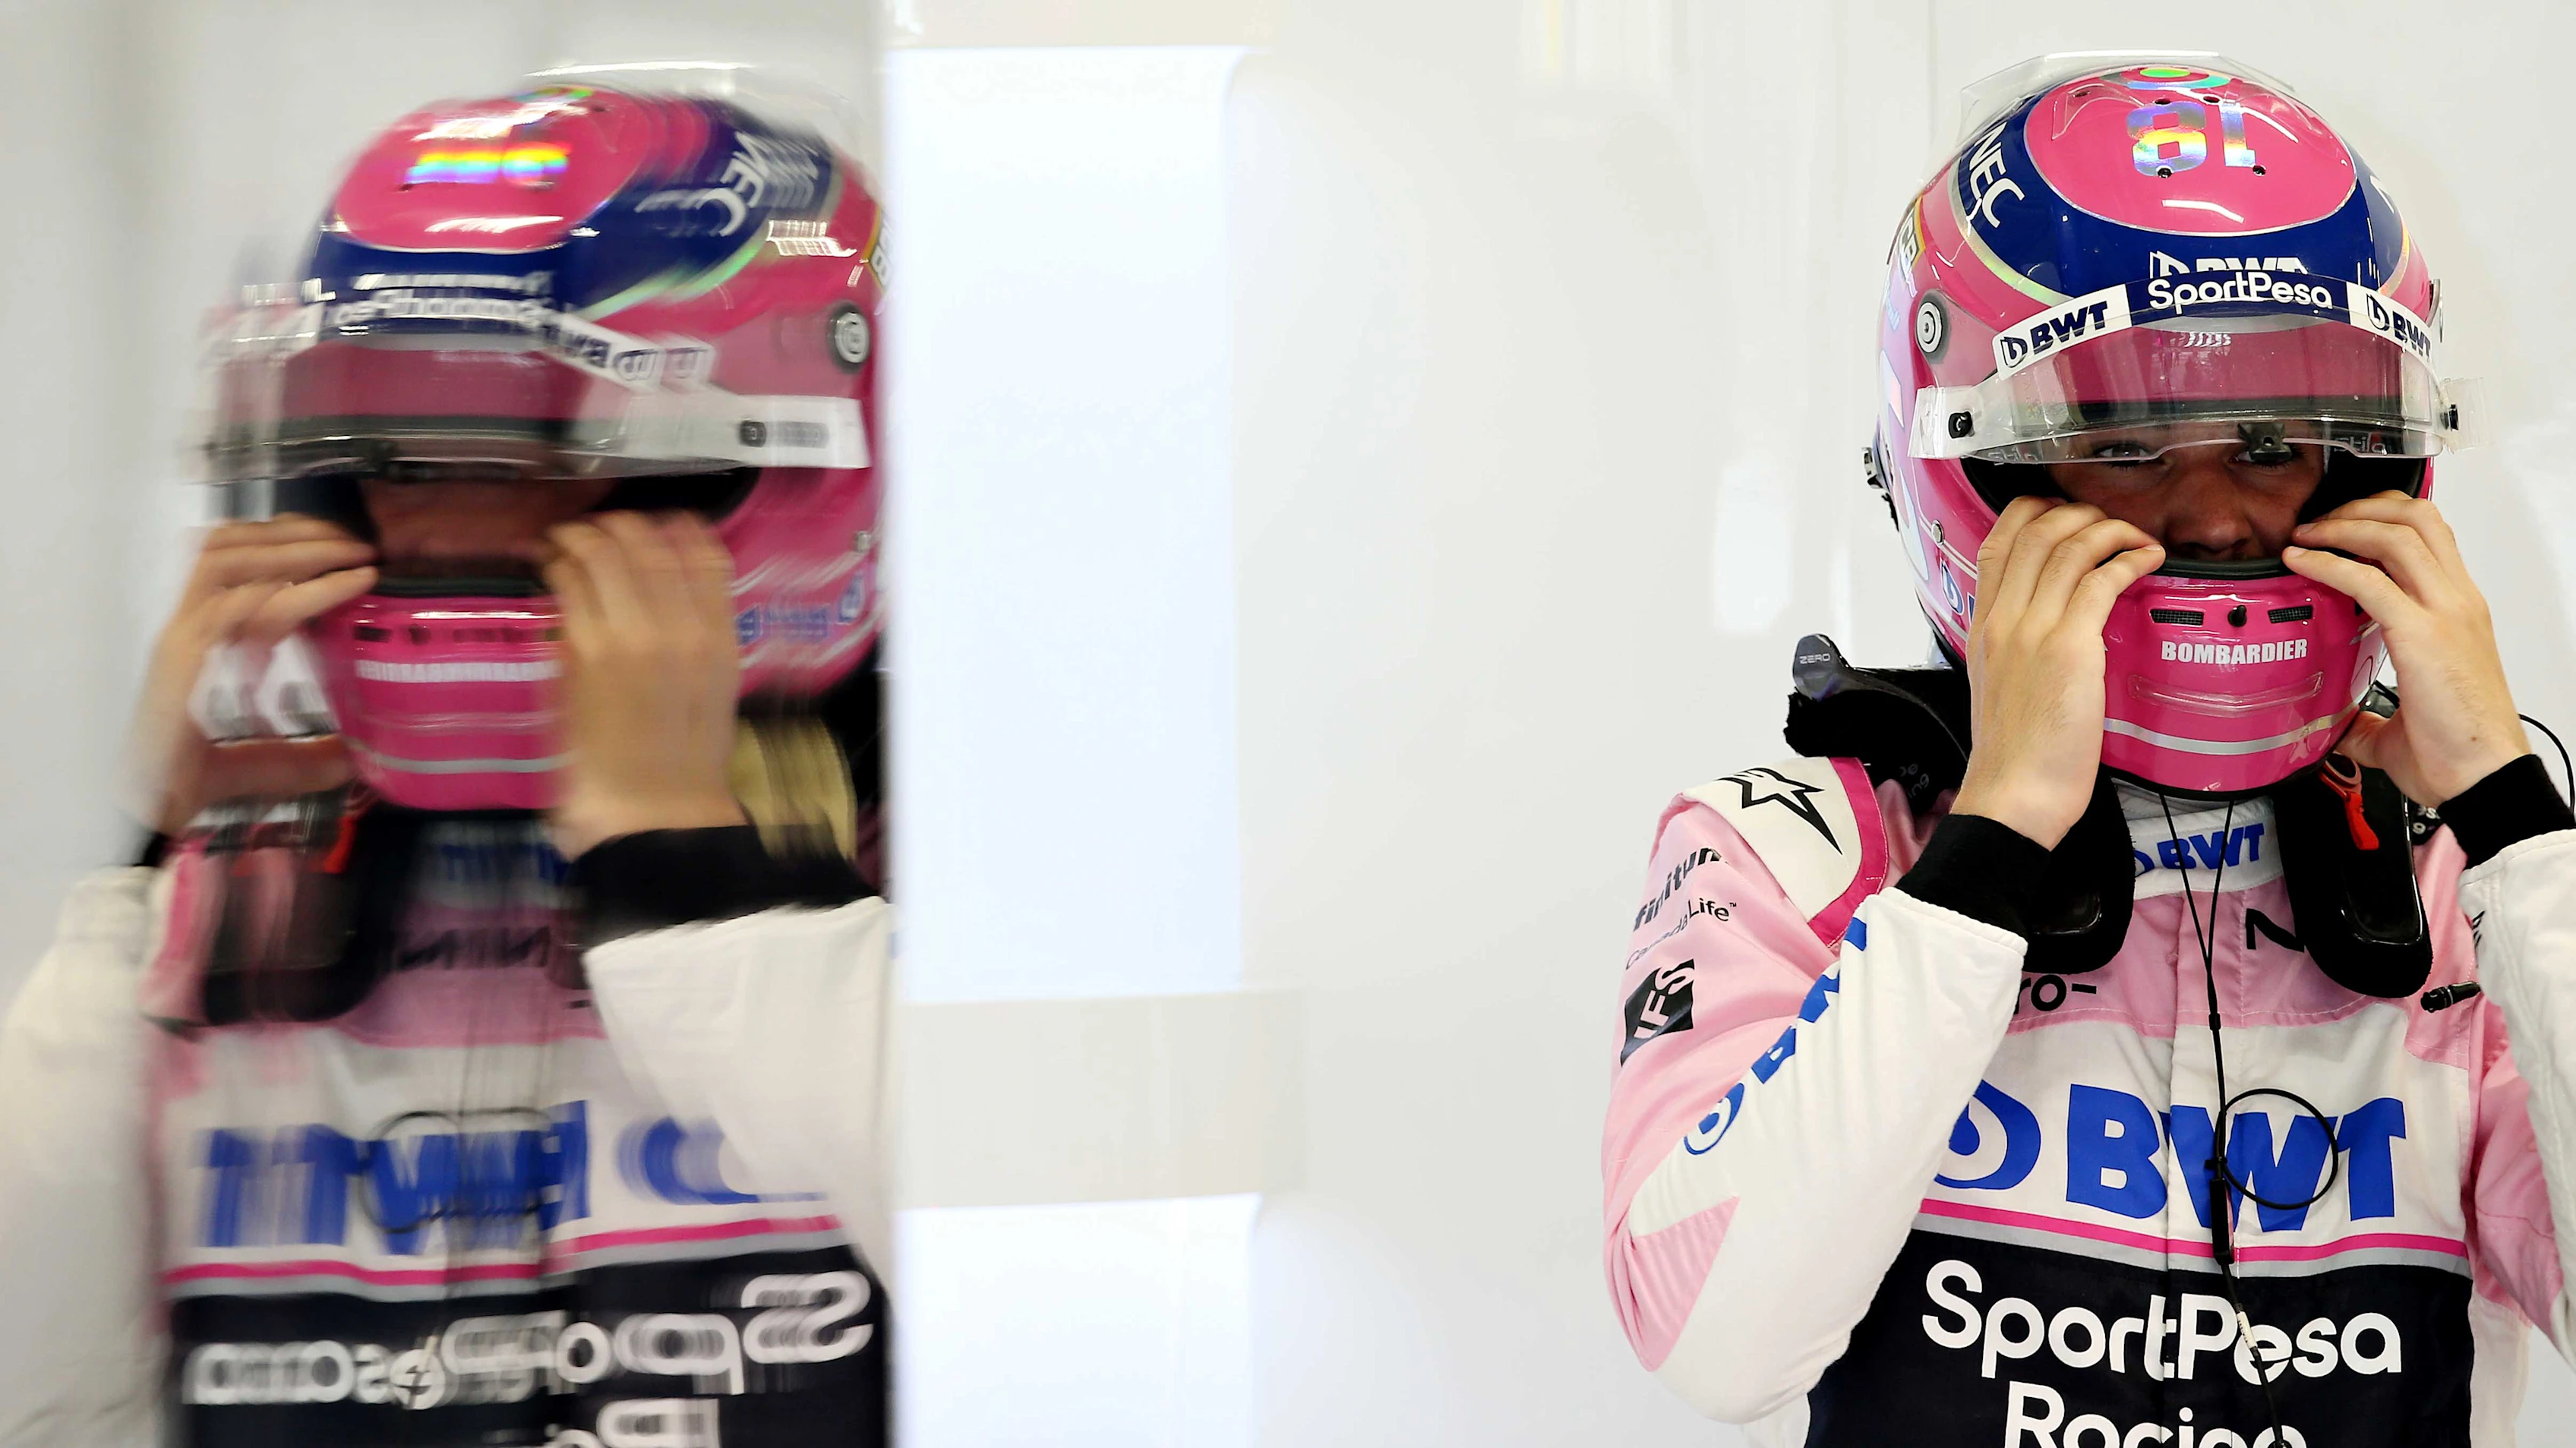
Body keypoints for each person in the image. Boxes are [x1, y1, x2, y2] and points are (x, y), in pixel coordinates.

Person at [1601, 55, 2576, 1446]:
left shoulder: (2461, 892)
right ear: (1981, 469)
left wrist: (2519, 824)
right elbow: (1712, 1341)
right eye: (2124, 442)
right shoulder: (1794, 846)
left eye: (2271, 439)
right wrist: (1987, 849)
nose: (2216, 517)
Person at [0, 75, 893, 1446]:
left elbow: (1103, 1337)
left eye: (520, 437)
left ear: (735, 462)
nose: (413, 514)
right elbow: (38, 1386)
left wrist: (696, 889)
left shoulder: (951, 867)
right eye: (370, 441)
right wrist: (140, 897)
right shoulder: (240, 898)